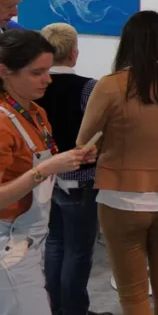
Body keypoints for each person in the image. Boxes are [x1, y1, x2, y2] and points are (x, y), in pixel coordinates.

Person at [76, 11, 158, 315]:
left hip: (121, 197)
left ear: (127, 42)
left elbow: (84, 143)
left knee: (133, 294)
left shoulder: (109, 85)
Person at [0, 30, 95, 314]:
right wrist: (45, 169)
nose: (48, 79)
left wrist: (73, 158)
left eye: (47, 70)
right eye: (37, 73)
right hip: (8, 243)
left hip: (30, 241)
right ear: (5, 72)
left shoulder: (36, 114)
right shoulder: (3, 124)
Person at [36, 23, 106, 315]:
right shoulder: (89, 88)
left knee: (54, 243)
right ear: (74, 53)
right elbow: (102, 131)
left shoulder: (32, 88)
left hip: (45, 178)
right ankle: (75, 310)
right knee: (79, 250)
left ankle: (55, 307)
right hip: (81, 179)